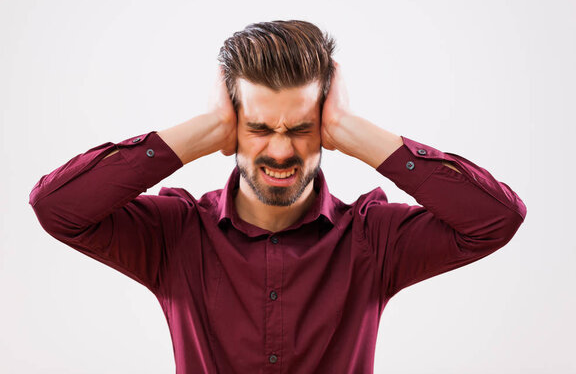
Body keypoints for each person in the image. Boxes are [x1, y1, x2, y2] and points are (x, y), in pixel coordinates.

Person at [29, 20, 527, 373]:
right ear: (233, 126)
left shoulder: (373, 239)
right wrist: (207, 130)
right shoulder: (173, 235)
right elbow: (57, 207)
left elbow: (495, 218)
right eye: (259, 128)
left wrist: (353, 131)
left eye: (304, 128)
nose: (282, 150)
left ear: (326, 129)